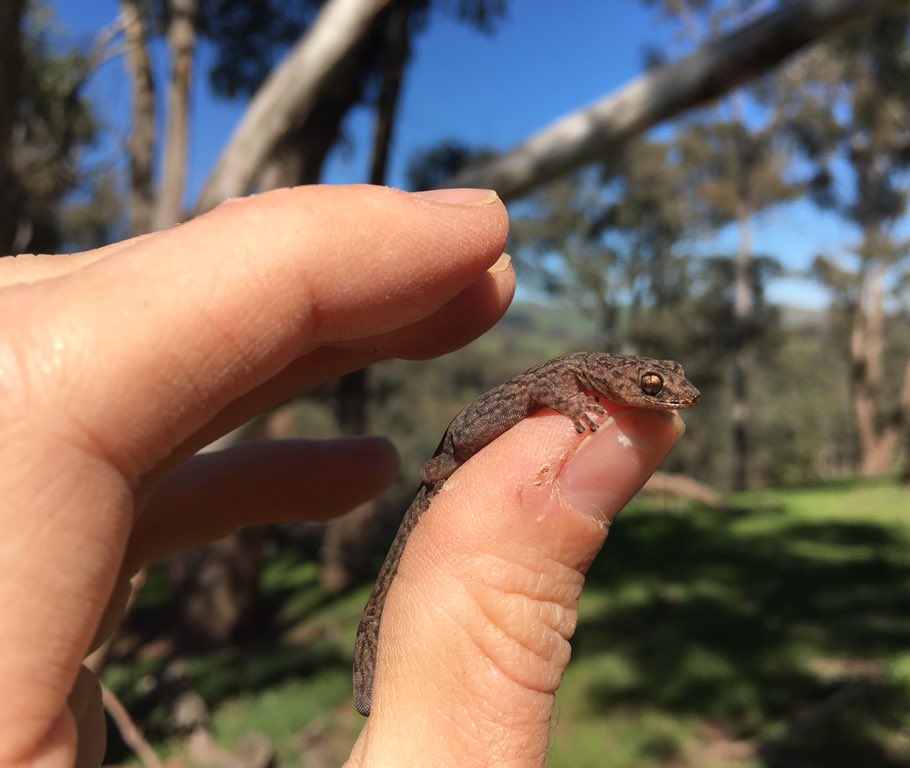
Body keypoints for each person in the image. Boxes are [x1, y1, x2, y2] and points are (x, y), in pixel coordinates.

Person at [0, 185, 685, 767]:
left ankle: (372, 649)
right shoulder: (568, 382)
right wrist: (550, 413)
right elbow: (534, 400)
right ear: (616, 381)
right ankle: (369, 651)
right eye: (654, 386)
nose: (666, 396)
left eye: (661, 386)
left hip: (458, 461)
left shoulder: (581, 381)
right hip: (456, 455)